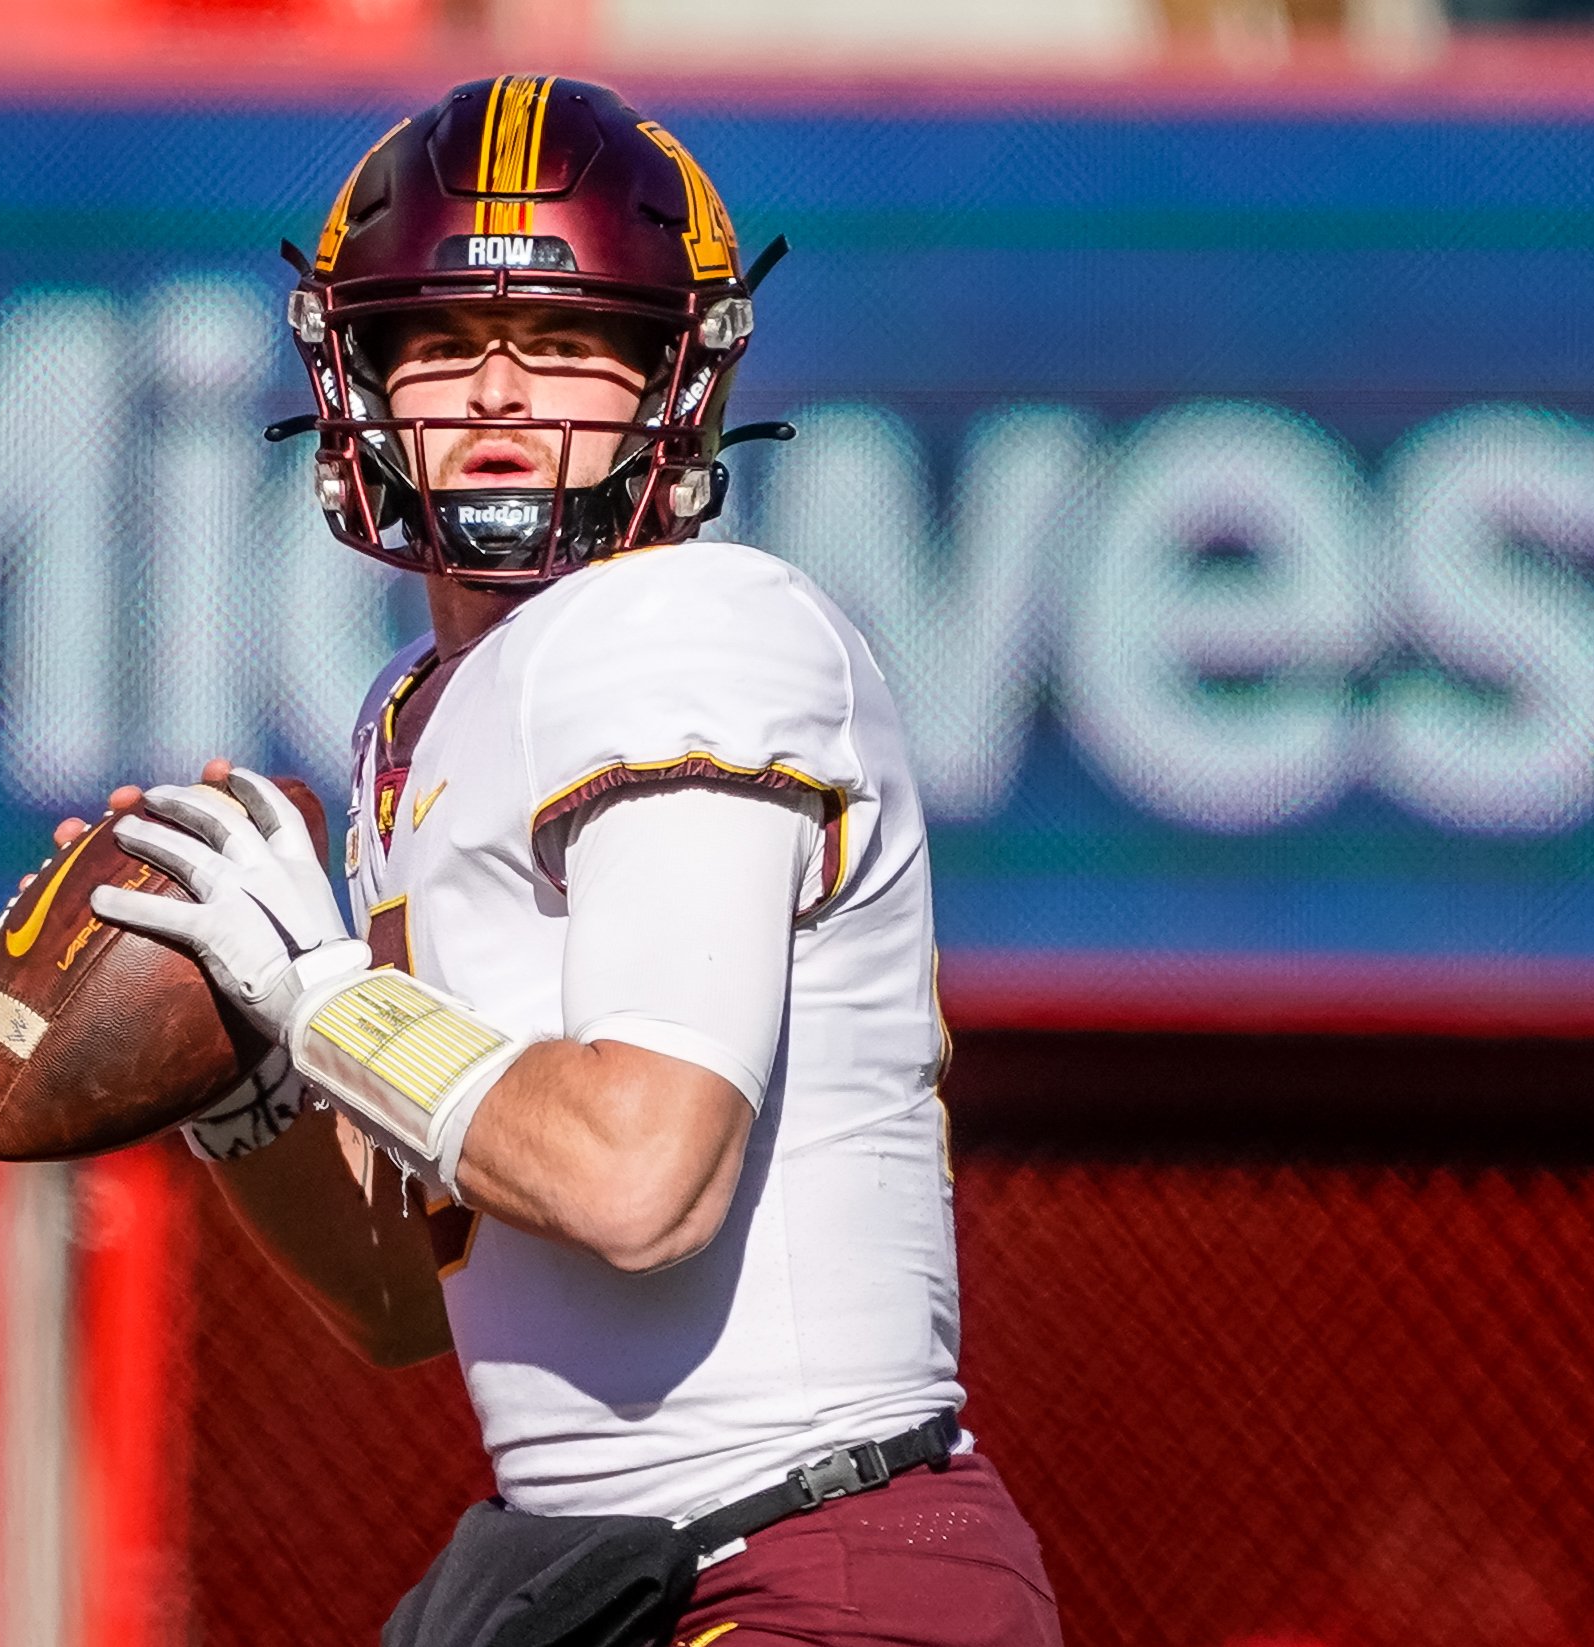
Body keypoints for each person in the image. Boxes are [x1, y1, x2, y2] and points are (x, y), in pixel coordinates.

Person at [64, 76, 1061, 1647]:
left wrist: (318, 993)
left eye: (572, 344)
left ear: (678, 383)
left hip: (811, 1563)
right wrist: (249, 1085)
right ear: (360, 385)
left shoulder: (688, 625)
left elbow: (635, 1176)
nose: (504, 396)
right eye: (445, 346)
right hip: (616, 1580)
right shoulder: (415, 711)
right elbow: (407, 1298)